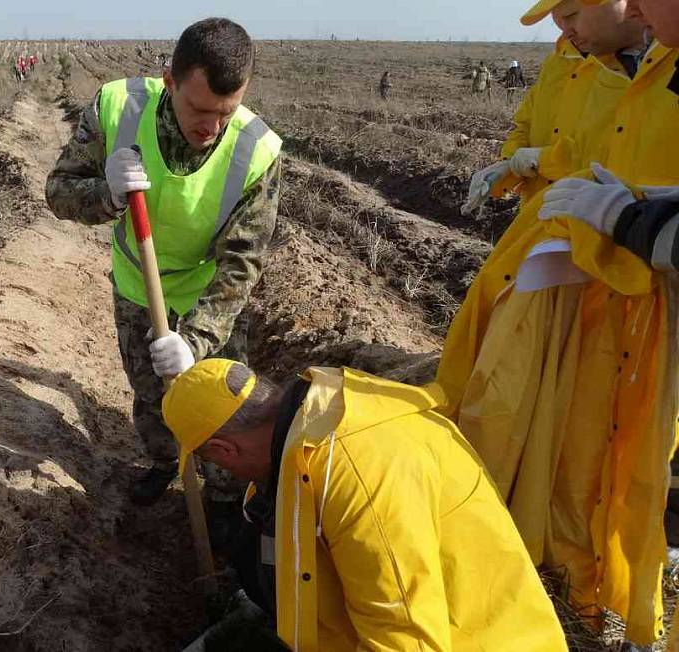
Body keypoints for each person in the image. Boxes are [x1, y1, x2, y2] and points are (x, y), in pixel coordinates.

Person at [432, 0, 679, 642]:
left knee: (622, 452)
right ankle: (546, 573)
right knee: (541, 421)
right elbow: (563, 148)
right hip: (569, 269)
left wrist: (639, 217)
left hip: (638, 294)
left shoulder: (649, 66)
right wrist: (525, 160)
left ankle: (600, 593)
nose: (560, 28)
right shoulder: (585, 63)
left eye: (570, 11)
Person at [161, 359, 568, 652]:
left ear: (223, 449)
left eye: (213, 462)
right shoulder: (306, 434)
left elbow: (405, 638)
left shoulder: (358, 471)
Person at [45, 18, 282, 516]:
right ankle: (163, 463)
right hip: (138, 284)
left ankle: (222, 503)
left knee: (226, 411)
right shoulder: (116, 108)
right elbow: (58, 192)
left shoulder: (256, 150)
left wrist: (195, 340)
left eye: (226, 112)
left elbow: (243, 262)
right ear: (170, 81)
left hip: (208, 293)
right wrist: (105, 194)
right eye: (200, 109)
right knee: (152, 392)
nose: (211, 128)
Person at [462, 0, 643, 214]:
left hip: (596, 226)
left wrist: (545, 160)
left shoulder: (644, 72)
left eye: (571, 16)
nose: (566, 32)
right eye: (557, 22)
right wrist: (508, 165)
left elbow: (616, 159)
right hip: (540, 219)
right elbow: (526, 124)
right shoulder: (560, 61)